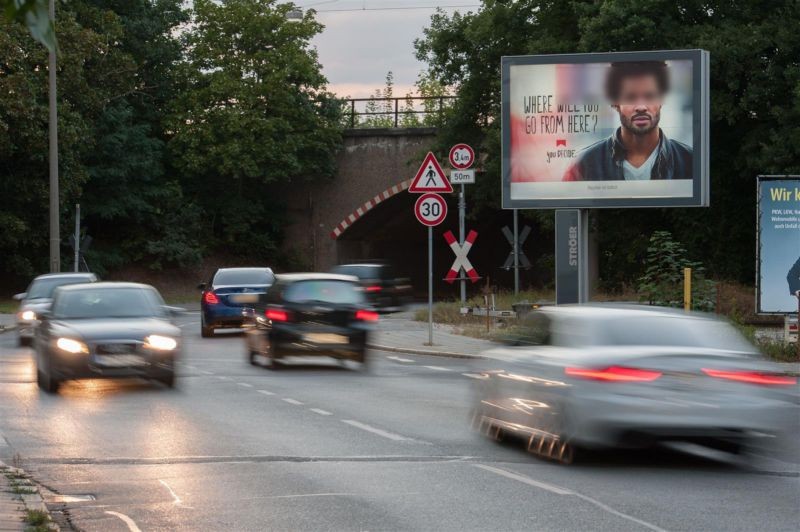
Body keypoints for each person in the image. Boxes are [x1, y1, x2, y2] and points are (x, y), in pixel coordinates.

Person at [563, 61, 692, 181]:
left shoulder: (690, 160)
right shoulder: (583, 164)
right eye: (630, 97)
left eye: (649, 96)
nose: (641, 107)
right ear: (615, 102)